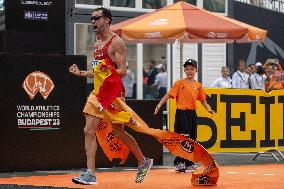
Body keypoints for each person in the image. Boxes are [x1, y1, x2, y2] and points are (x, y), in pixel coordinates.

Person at [69, 7, 152, 185]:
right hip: (98, 92)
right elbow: (96, 72)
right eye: (91, 19)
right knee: (88, 130)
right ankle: (90, 173)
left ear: (106, 20)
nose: (93, 22)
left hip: (114, 93)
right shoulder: (97, 44)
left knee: (118, 132)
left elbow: (122, 71)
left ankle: (143, 161)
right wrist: (81, 73)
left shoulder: (116, 42)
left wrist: (108, 70)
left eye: (96, 18)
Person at [154, 59, 214, 172]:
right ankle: (179, 162)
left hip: (192, 114)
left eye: (192, 69)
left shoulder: (198, 85)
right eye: (187, 69)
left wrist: (209, 109)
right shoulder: (179, 83)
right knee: (183, 138)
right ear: (184, 70)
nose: (189, 71)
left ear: (196, 70)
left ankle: (188, 162)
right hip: (181, 114)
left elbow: (202, 100)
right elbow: (168, 95)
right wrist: (159, 104)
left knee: (192, 139)